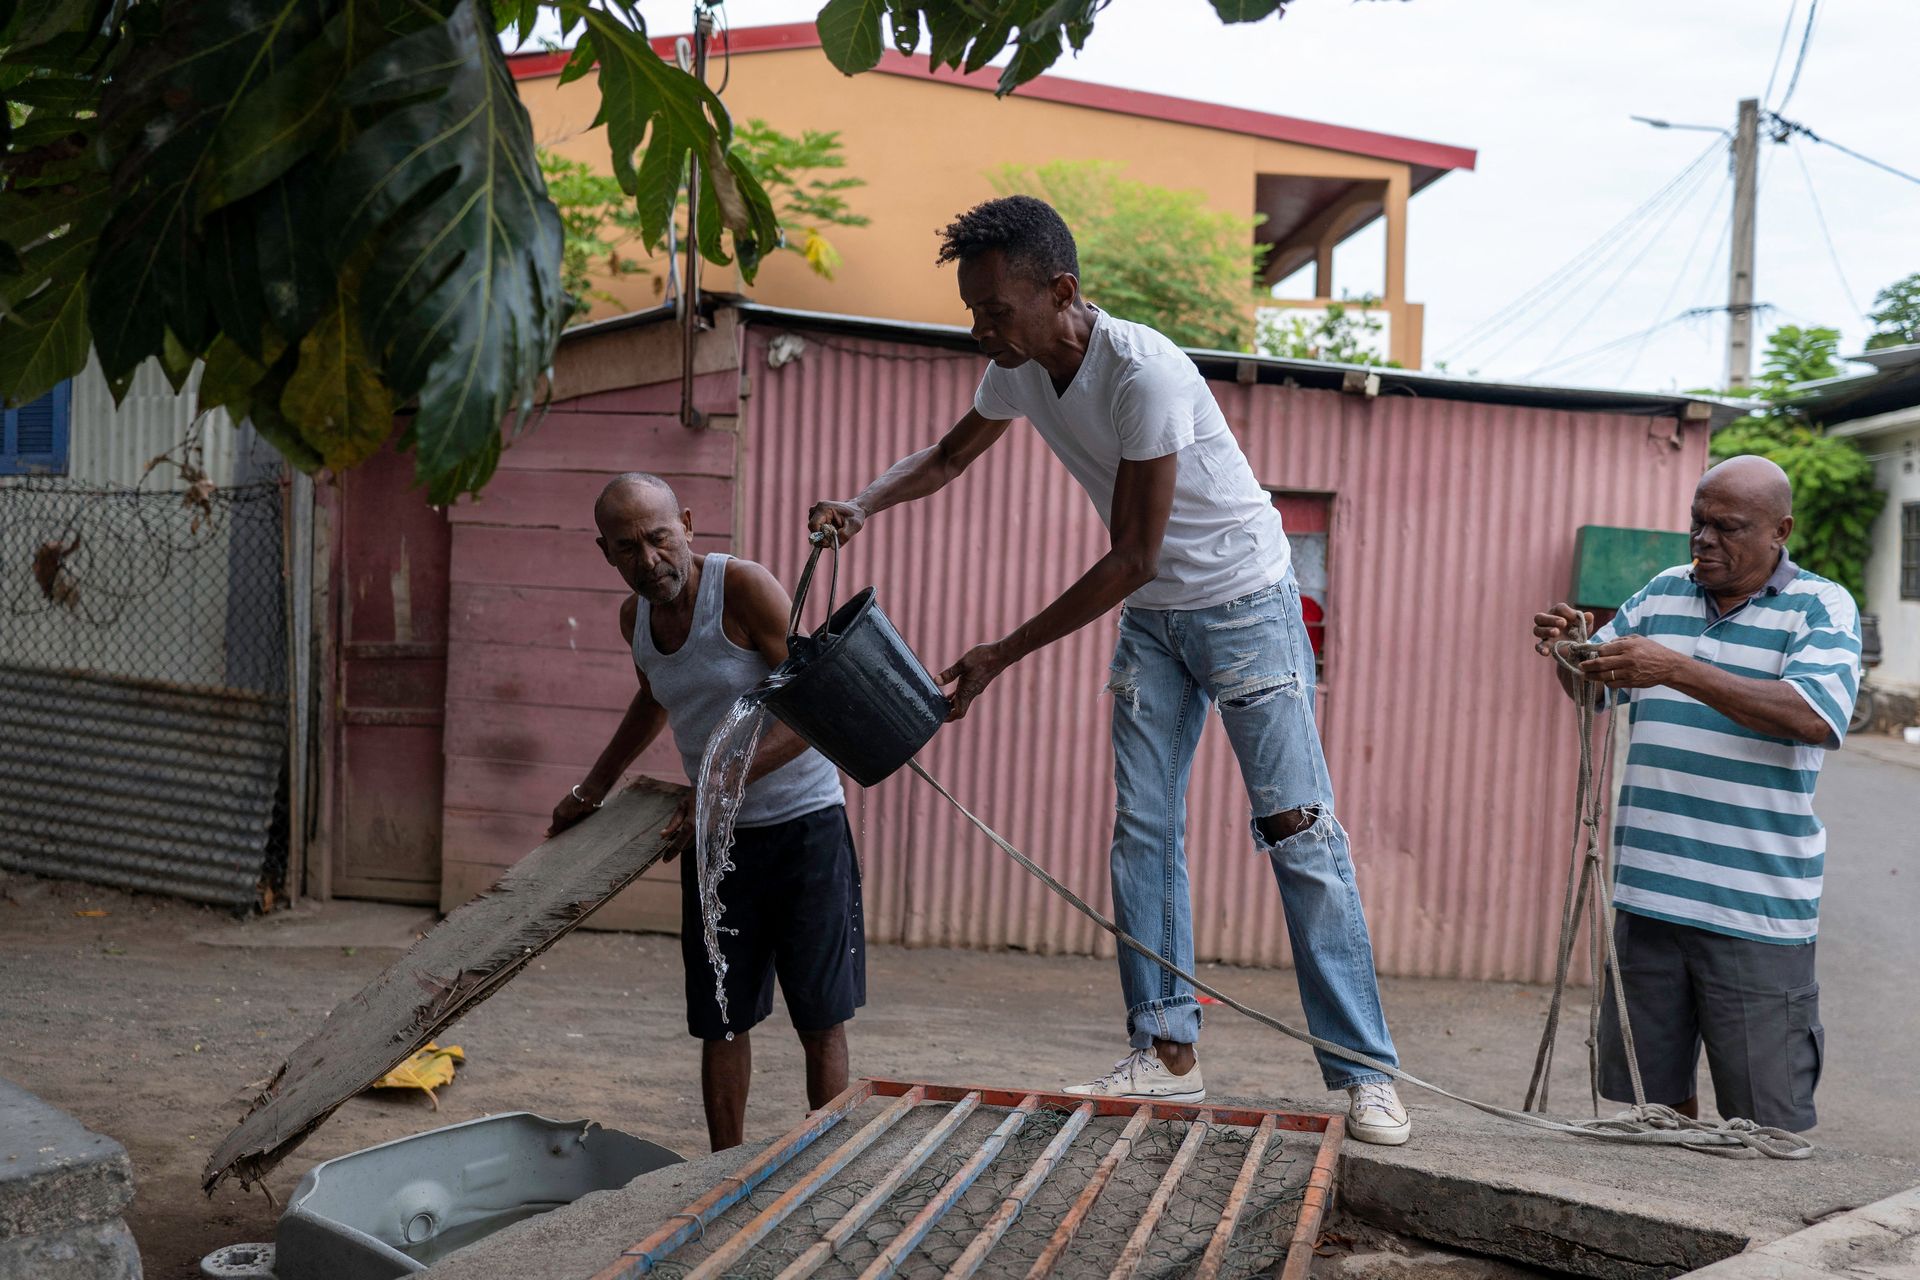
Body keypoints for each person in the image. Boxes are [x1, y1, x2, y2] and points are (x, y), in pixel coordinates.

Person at [807, 195, 1409, 1145]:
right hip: (1157, 623)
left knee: (1297, 830)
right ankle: (1169, 1054)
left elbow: (1132, 553)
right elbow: (950, 457)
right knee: (1143, 826)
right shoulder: (1021, 371)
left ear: (1063, 292)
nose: (981, 331)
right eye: (973, 311)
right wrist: (863, 501)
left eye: (996, 311)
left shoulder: (1144, 373)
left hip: (1245, 603)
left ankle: (1367, 1074)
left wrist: (1002, 653)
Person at [1532, 455, 1860, 1131]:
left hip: (1754, 911)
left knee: (1766, 1124)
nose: (1704, 539)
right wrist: (1574, 655)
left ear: (1781, 531)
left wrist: (1679, 668)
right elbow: (1597, 692)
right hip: (1649, 899)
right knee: (1654, 1114)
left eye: (1728, 527)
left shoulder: (1820, 607)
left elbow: (1812, 715)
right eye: (1697, 522)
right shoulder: (1660, 594)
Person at [549, 473, 865, 1152]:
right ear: (604, 552)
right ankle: (723, 1173)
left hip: (805, 826)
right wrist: (591, 788)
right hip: (717, 840)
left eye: (660, 538)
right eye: (628, 547)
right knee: (721, 1018)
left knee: (820, 1016)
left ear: (687, 524)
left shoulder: (742, 589)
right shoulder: (634, 620)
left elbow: (819, 705)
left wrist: (723, 776)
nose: (650, 560)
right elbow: (655, 699)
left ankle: (828, 1166)